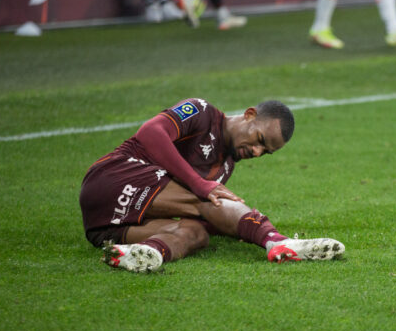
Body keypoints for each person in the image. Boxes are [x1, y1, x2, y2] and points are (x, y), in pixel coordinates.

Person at [79, 98, 345, 273]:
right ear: (249, 115)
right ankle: (277, 240)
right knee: (207, 200)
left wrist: (232, 224)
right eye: (259, 139)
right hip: (111, 178)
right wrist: (198, 184)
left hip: (106, 227)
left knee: (197, 234)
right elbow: (150, 132)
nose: (256, 151)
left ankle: (145, 253)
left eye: (265, 151)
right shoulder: (202, 112)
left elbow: (204, 214)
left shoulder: (225, 166)